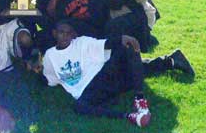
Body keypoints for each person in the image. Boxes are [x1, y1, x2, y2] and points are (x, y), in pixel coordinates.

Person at [42, 20, 194, 128]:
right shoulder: (50, 56)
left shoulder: (82, 42)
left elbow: (105, 43)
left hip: (103, 76)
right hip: (92, 92)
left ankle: (140, 99)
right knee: (80, 106)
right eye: (61, 32)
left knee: (127, 48)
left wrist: (122, 39)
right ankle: (130, 116)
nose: (65, 36)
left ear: (73, 35)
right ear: (55, 33)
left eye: (68, 33)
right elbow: (50, 79)